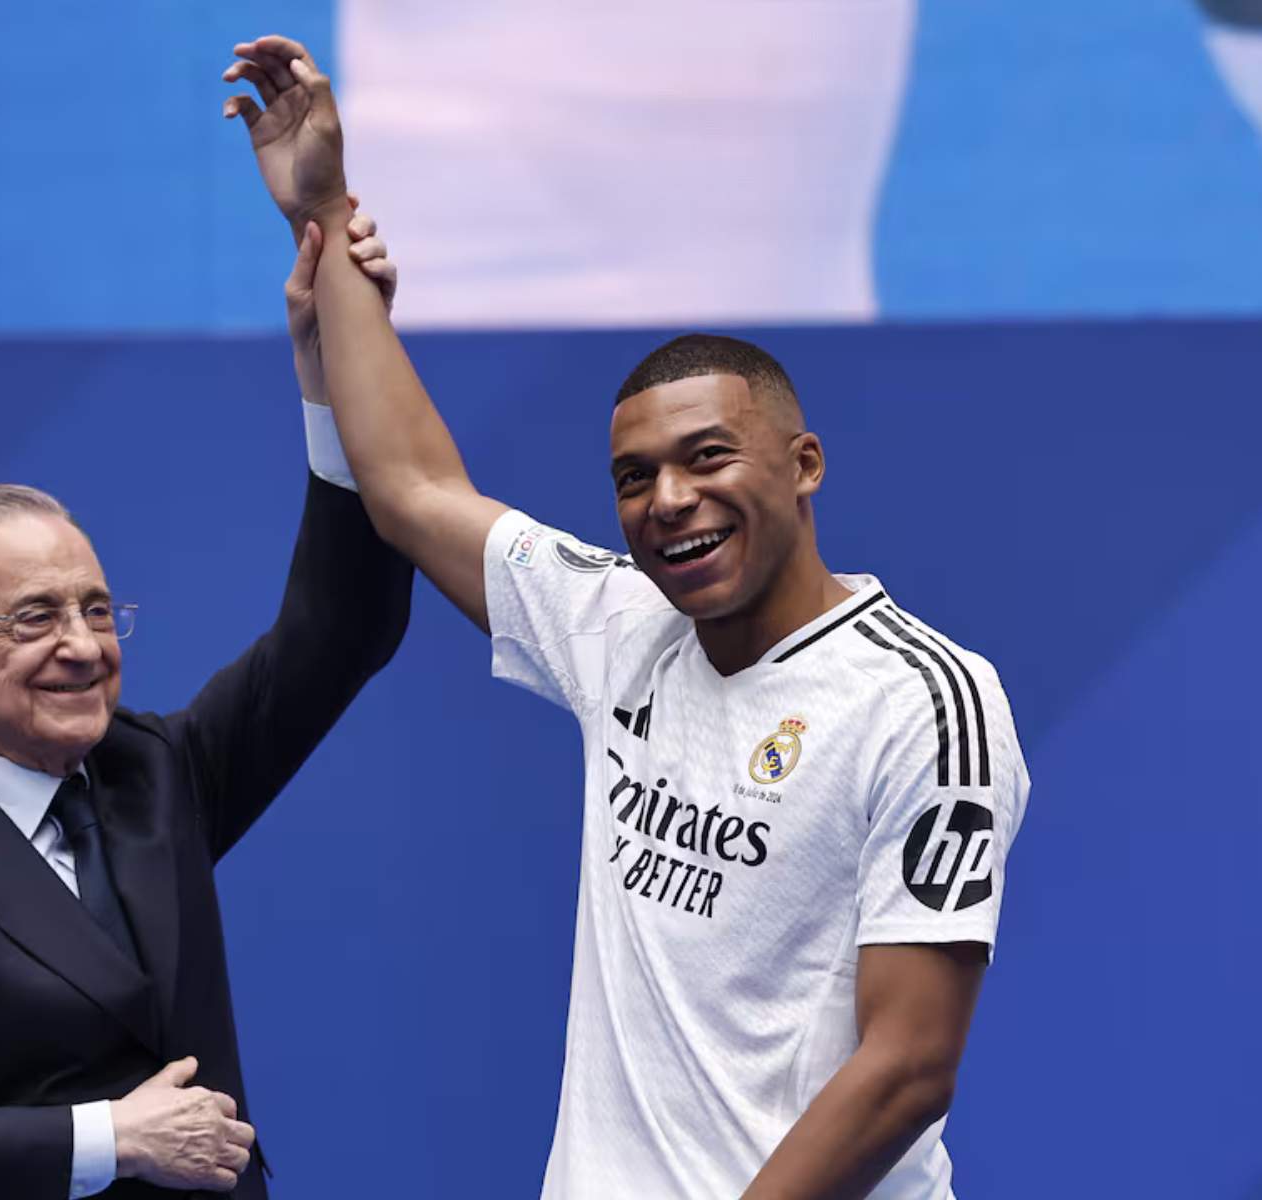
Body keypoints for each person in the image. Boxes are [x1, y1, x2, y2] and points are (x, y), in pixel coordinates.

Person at [223, 36, 1030, 1199]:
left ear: (802, 464)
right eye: (633, 476)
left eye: (707, 458)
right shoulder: (618, 626)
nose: (667, 502)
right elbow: (410, 490)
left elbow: (906, 1069)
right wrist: (323, 206)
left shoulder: (924, 703)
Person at [0, 214, 407, 1200]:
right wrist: (106, 1139)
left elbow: (340, 629)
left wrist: (333, 372)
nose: (81, 647)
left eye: (94, 608)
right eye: (33, 618)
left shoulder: (155, 773)